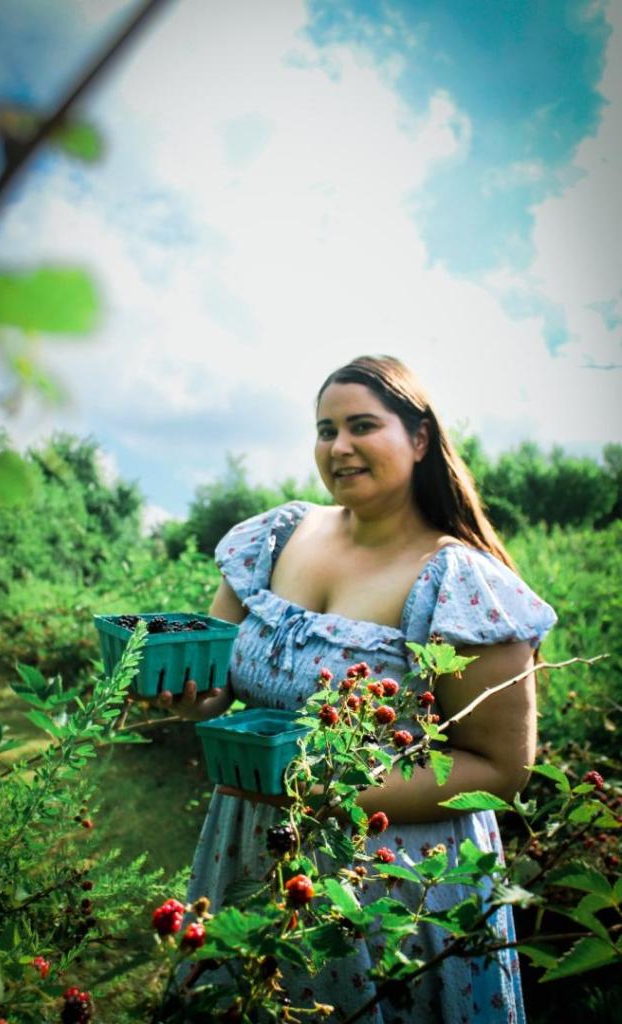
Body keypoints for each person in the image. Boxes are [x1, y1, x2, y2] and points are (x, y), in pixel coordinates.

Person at [157, 355, 557, 1023]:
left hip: (389, 878)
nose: (338, 446)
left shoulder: (458, 582)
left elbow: (500, 768)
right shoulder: (275, 537)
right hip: (250, 844)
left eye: (361, 426)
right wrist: (184, 693)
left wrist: (328, 793)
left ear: (419, 439)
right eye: (324, 429)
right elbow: (217, 683)